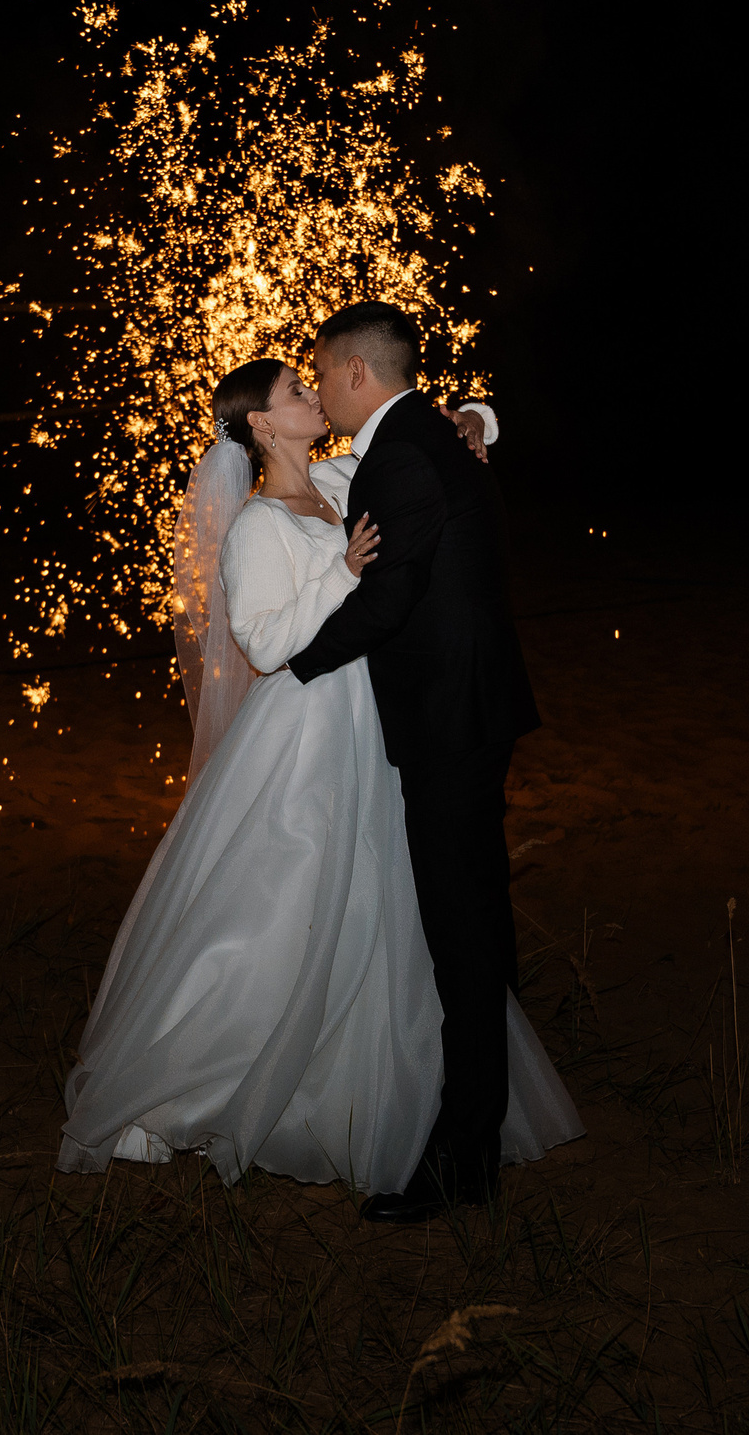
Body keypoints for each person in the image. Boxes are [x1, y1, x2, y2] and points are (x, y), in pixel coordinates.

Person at [57, 353, 578, 1196]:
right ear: (260, 424)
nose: (313, 395)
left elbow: (433, 438)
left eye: (313, 384)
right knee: (290, 896)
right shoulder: (256, 525)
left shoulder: (340, 480)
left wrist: (478, 417)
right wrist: (341, 575)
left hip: (372, 717)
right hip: (304, 727)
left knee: (378, 902)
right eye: (295, 392)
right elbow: (262, 644)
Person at [288, 300, 546, 1223]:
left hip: (449, 717)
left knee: (461, 929)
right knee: (478, 913)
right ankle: (491, 1121)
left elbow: (390, 595)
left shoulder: (404, 455)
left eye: (322, 373)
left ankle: (464, 1157)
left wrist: (296, 667)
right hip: (473, 705)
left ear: (358, 373)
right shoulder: (432, 439)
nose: (318, 387)